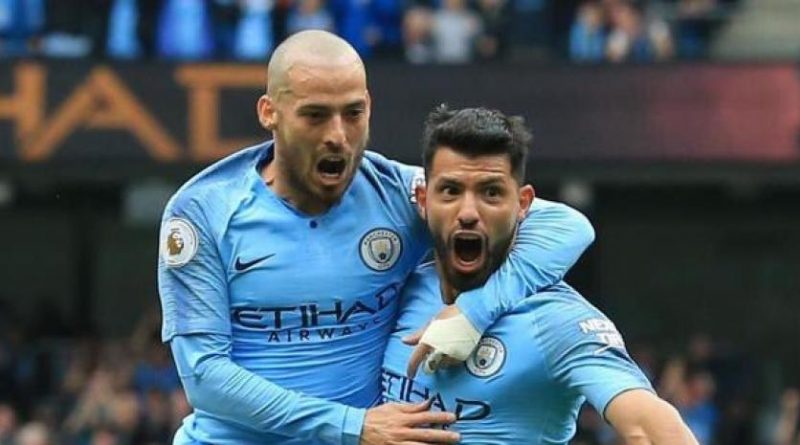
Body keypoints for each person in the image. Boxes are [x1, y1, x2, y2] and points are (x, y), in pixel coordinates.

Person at [158, 30, 594, 445]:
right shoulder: (204, 211)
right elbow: (204, 377)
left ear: (369, 106)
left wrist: (473, 311)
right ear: (269, 112)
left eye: (353, 113)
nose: (337, 135)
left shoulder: (397, 193)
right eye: (315, 115)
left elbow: (567, 226)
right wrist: (351, 426)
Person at [382, 105, 699, 444]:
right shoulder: (399, 289)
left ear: (523, 204)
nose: (468, 213)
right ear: (422, 200)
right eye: (451, 191)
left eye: (491, 192)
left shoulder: (557, 320)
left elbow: (655, 429)